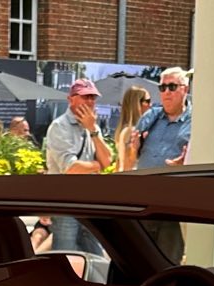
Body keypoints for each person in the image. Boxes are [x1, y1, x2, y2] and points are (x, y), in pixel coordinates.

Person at [130, 68, 193, 262]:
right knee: (139, 260)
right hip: (143, 202)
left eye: (172, 87)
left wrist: (185, 164)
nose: (166, 92)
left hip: (172, 205)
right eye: (162, 87)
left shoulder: (196, 122)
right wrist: (133, 147)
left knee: (168, 262)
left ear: (185, 89)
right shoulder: (151, 117)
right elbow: (131, 155)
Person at [44, 78, 112, 254]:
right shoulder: (59, 127)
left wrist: (93, 130)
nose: (90, 101)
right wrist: (97, 165)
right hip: (65, 203)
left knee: (96, 257)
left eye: (93, 97)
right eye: (85, 97)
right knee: (66, 255)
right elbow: (71, 168)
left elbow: (108, 160)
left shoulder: (92, 127)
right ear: (71, 99)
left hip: (90, 203)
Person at [115, 85, 151, 171]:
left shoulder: (130, 130)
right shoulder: (130, 131)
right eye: (147, 101)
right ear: (136, 104)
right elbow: (127, 165)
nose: (150, 105)